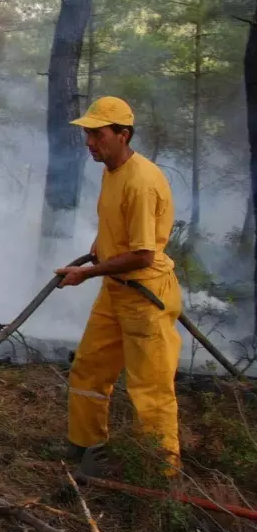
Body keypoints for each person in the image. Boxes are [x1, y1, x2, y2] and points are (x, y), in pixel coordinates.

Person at [54, 96, 183, 476]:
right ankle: (86, 446)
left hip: (145, 296)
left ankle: (160, 477)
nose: (90, 142)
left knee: (151, 390)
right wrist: (101, 245)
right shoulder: (112, 170)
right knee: (90, 369)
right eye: (88, 134)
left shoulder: (141, 182)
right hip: (117, 291)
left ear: (123, 135)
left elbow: (143, 255)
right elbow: (119, 224)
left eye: (97, 134)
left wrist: (86, 274)